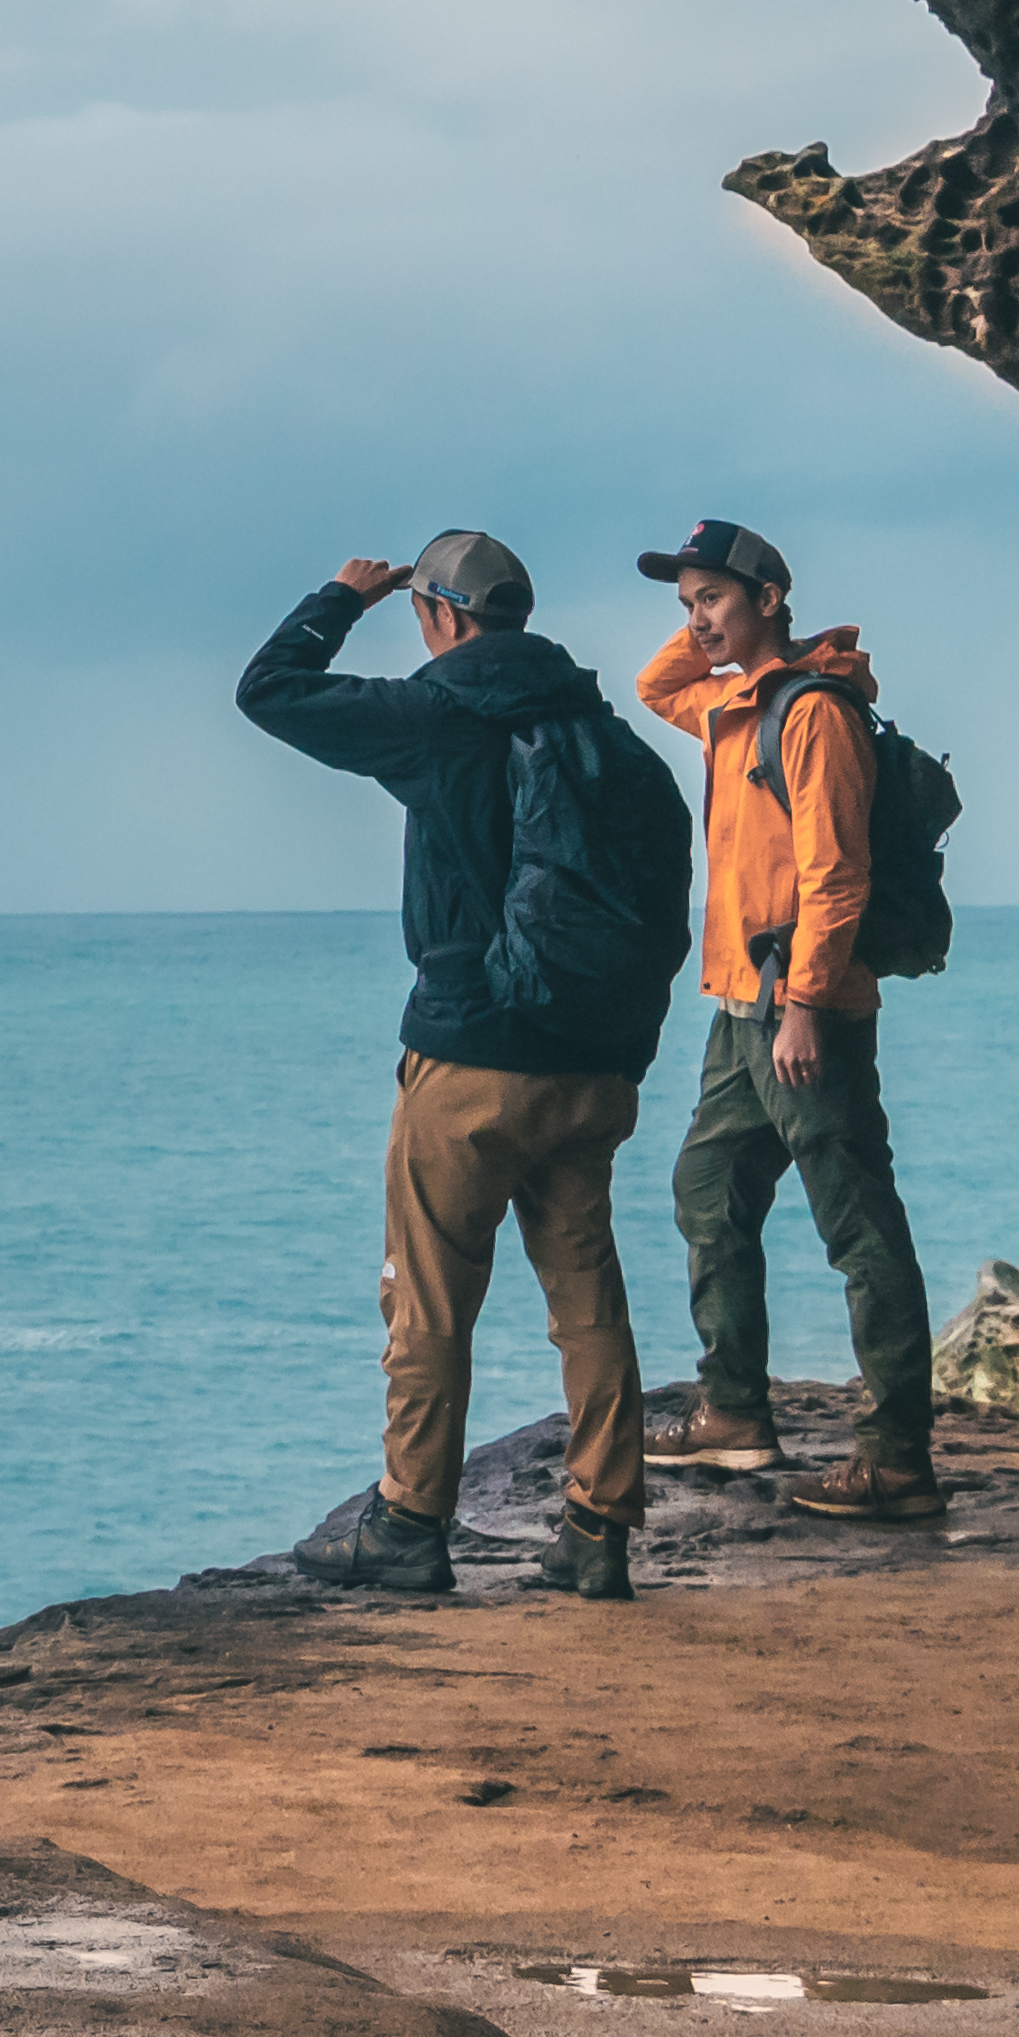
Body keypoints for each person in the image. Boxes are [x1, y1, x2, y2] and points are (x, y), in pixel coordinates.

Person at [238, 527, 676, 1602]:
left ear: (440, 616)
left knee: (428, 1299)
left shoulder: (438, 718)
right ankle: (598, 1528)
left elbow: (271, 691)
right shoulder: (610, 740)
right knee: (588, 1296)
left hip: (472, 1056)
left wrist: (338, 599)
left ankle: (409, 1525)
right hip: (595, 1066)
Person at [635, 514, 940, 1520]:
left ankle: (896, 1460)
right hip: (739, 1013)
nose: (698, 622)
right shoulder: (735, 705)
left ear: (771, 596)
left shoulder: (811, 715)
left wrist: (805, 1003)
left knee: (858, 1228)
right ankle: (734, 1417)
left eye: (714, 600)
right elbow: (657, 687)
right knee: (707, 1190)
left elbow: (836, 877)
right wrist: (709, 615)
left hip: (803, 1013)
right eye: (687, 606)